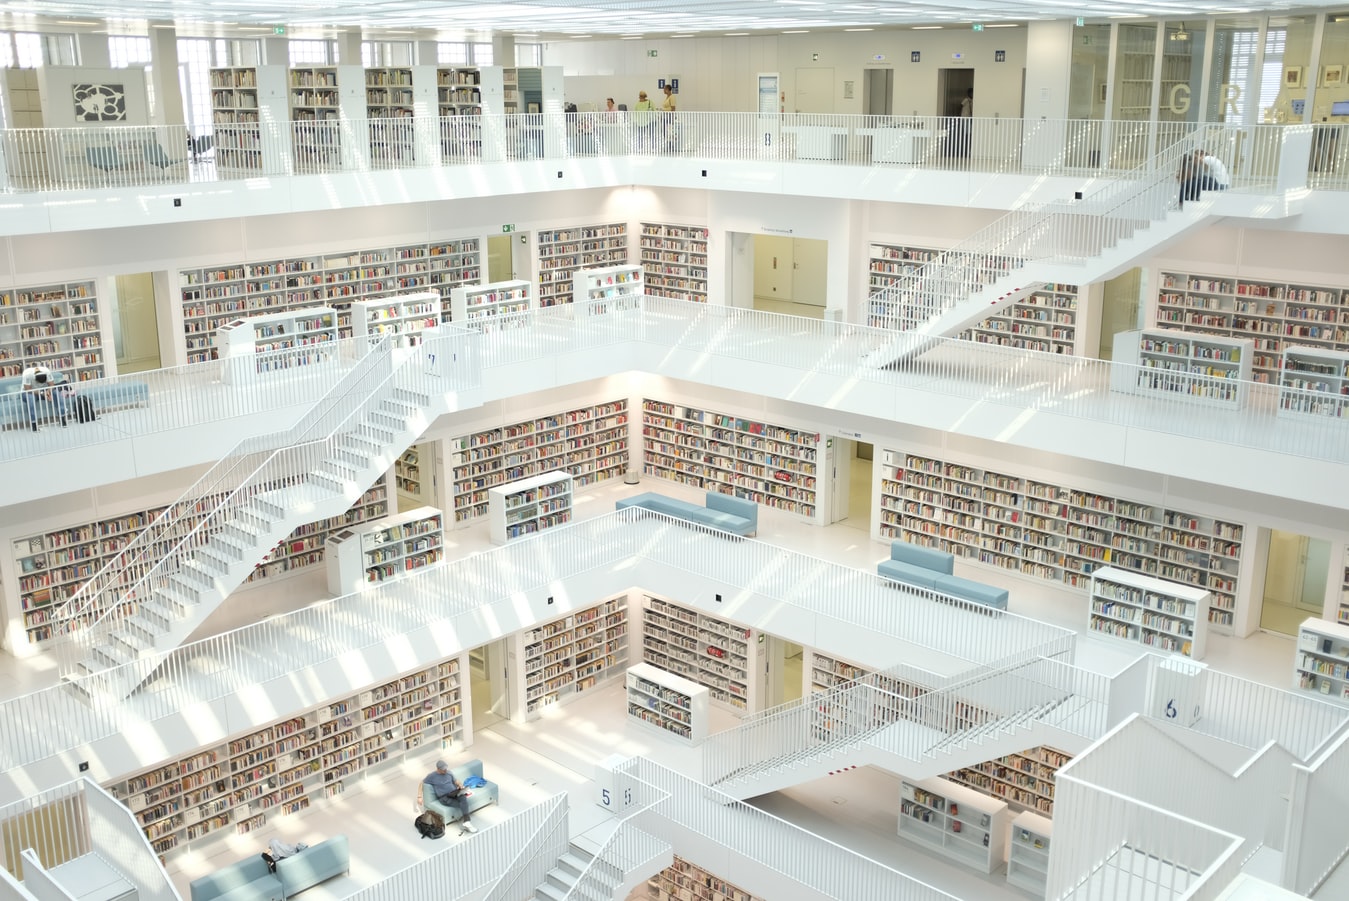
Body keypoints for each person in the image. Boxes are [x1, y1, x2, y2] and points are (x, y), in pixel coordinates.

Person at [423, 759, 477, 833]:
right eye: (443, 769)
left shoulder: (449, 773)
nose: (445, 770)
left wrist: (460, 785)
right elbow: (422, 783)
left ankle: (466, 822)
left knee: (463, 797)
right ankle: (467, 822)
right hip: (444, 797)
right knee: (462, 804)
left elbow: (456, 781)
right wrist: (419, 796)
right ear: (438, 769)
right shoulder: (432, 776)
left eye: (446, 768)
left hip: (454, 793)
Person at [21, 364, 67, 432]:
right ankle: (34, 424)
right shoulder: (27, 374)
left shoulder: (47, 371)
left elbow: (51, 385)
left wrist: (48, 392)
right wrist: (42, 393)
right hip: (29, 392)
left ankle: (62, 418)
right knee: (30, 399)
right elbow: (28, 389)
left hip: (44, 390)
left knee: (56, 392)